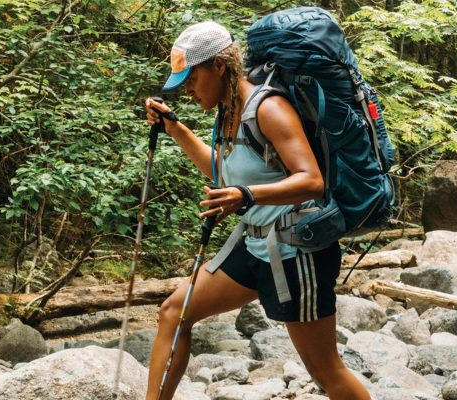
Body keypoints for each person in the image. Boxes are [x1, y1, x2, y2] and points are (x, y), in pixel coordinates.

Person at [145, 21, 371, 400]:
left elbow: (311, 180)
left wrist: (245, 196)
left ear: (218, 65)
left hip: (297, 250)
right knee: (173, 312)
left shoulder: (269, 109)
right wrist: (177, 129)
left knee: (325, 370)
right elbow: (223, 169)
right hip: (254, 245)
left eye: (192, 77)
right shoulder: (226, 112)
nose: (187, 88)